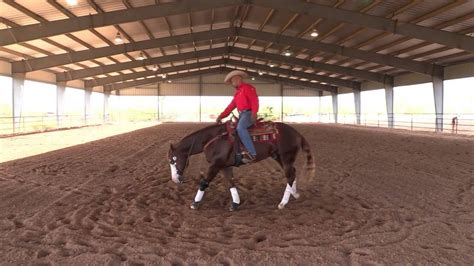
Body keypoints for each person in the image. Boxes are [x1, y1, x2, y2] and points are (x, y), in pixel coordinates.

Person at [216, 70, 259, 163]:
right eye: (231, 82)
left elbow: (254, 100)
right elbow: (231, 106)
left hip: (248, 113)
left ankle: (252, 153)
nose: (232, 83)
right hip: (242, 115)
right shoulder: (237, 94)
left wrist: (254, 113)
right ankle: (239, 151)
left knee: (241, 128)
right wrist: (221, 116)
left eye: (232, 81)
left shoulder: (248, 88)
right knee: (232, 129)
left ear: (238, 78)